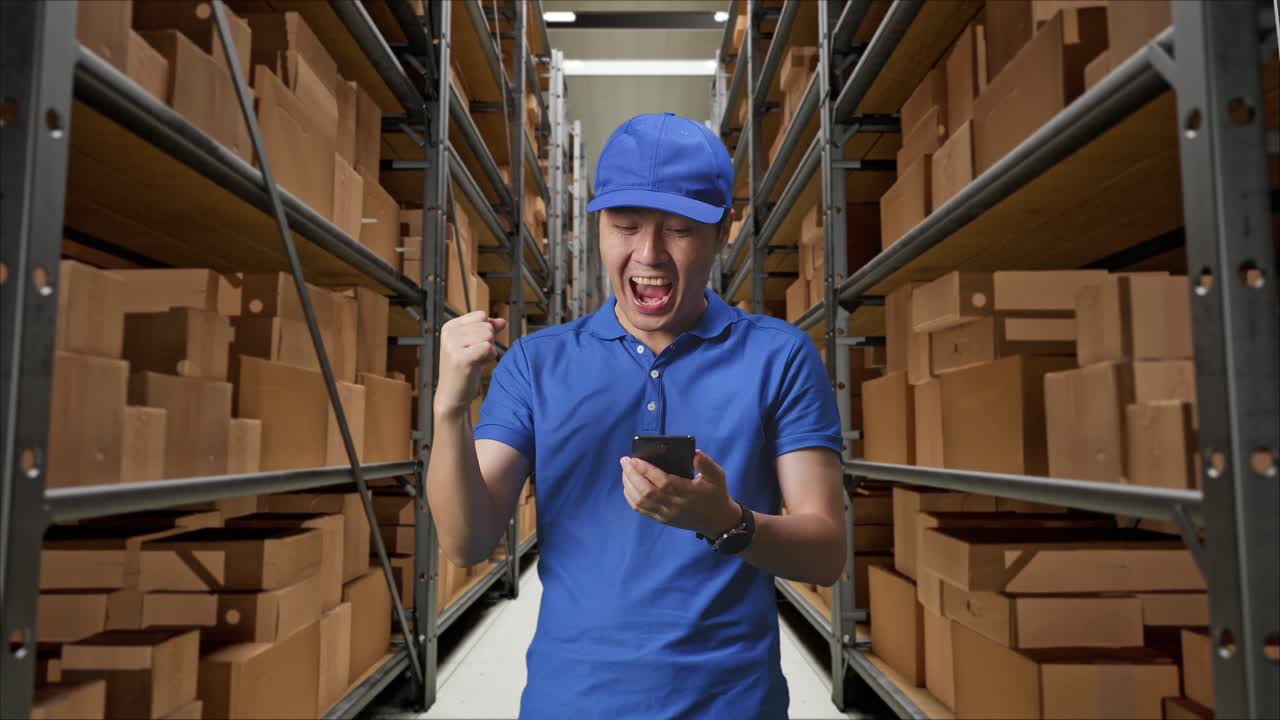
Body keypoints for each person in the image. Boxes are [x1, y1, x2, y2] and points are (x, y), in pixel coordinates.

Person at [427, 112, 847, 719]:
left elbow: (826, 553)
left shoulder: (779, 357)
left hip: (732, 705)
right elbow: (466, 542)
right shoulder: (536, 364)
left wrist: (727, 522)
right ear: (599, 226)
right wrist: (448, 409)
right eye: (625, 225)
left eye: (679, 229)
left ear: (723, 230)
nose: (648, 253)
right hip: (571, 704)